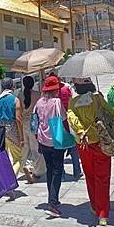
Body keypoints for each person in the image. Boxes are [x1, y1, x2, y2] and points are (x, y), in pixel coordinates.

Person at [67, 78, 112, 226]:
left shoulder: (73, 102)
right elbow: (110, 113)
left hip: (83, 144)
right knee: (103, 177)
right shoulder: (97, 98)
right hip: (100, 141)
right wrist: (102, 100)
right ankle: (103, 213)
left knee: (90, 175)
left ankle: (94, 205)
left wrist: (81, 131)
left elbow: (71, 118)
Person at [33, 75, 67, 217]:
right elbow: (64, 118)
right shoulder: (57, 102)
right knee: (57, 170)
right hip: (55, 139)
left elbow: (36, 119)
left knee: (50, 170)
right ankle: (52, 203)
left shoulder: (39, 102)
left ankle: (52, 198)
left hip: (42, 139)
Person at [0, 78, 24, 177]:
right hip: (12, 129)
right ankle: (12, 178)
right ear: (12, 87)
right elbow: (18, 119)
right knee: (18, 157)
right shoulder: (15, 100)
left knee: (3, 157)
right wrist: (21, 137)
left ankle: (5, 179)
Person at [19, 75, 45, 183]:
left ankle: (25, 165)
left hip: (24, 122)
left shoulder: (20, 95)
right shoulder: (38, 94)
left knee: (26, 148)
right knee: (35, 148)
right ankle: (35, 170)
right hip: (34, 122)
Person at [59, 78, 82, 180]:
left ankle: (62, 173)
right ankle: (77, 171)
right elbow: (74, 100)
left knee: (60, 149)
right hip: (68, 119)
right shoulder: (67, 88)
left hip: (57, 123)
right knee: (73, 148)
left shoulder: (50, 93)